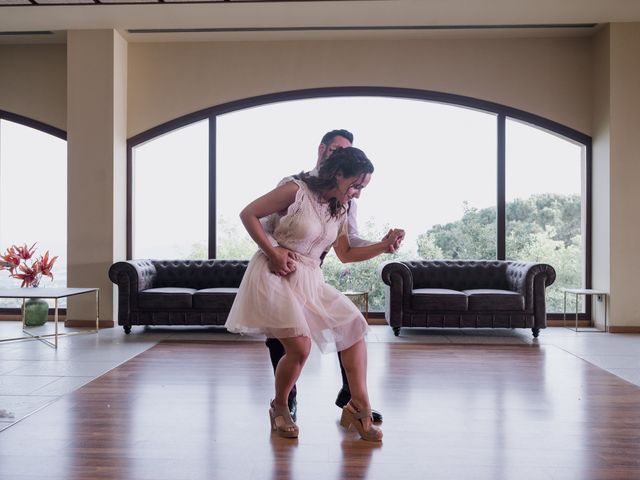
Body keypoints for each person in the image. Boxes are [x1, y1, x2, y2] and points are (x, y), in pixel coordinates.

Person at [225, 147, 404, 441]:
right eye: (356, 185)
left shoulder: (340, 207)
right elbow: (249, 214)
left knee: (354, 326)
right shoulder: (296, 190)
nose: (358, 193)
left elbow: (345, 253)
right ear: (337, 174)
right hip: (276, 272)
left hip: (309, 277)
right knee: (300, 347)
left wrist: (383, 246)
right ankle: (280, 406)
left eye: (362, 187)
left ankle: (359, 407)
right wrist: (272, 252)